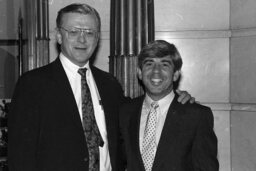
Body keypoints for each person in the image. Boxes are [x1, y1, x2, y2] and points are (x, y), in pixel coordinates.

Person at [8, 3, 194, 171]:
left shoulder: (109, 84)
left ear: (97, 38)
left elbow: (137, 117)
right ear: (58, 35)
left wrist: (171, 98)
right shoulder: (33, 85)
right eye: (73, 32)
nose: (82, 40)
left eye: (89, 33)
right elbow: (20, 157)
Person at [119, 40, 219, 171]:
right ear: (139, 72)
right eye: (149, 64)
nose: (156, 71)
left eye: (164, 65)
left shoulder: (196, 116)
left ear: (176, 74)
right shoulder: (125, 112)